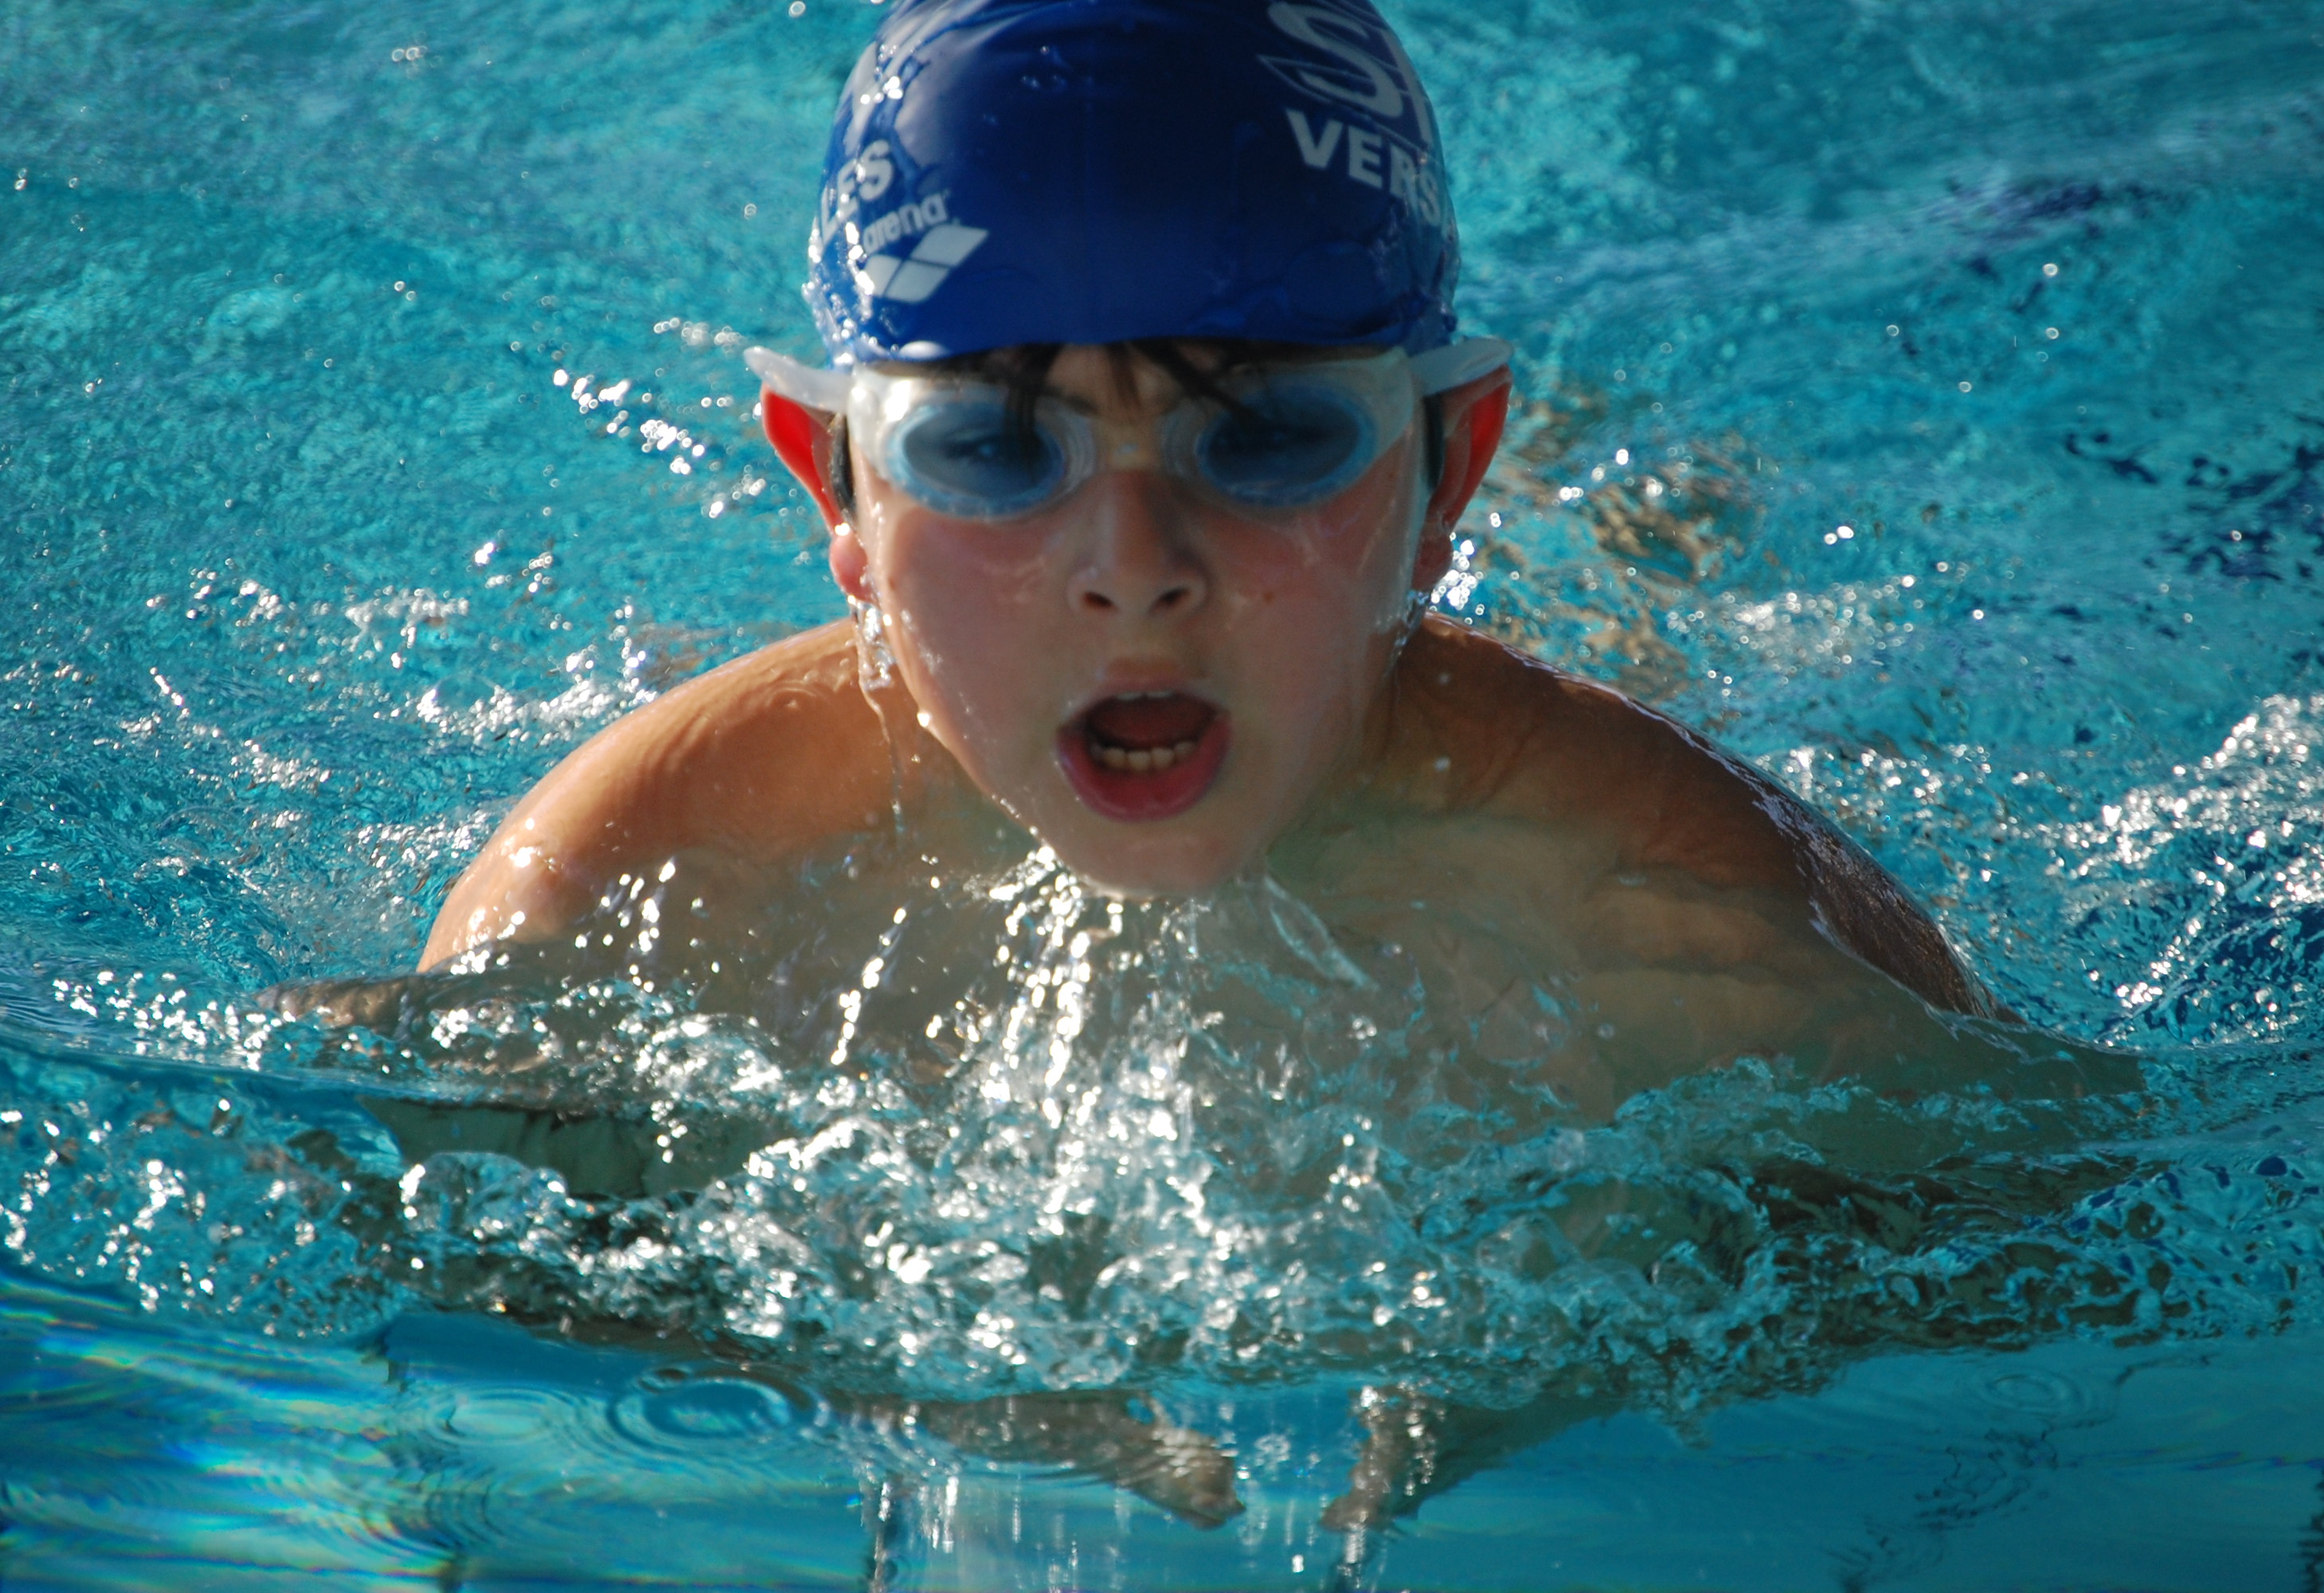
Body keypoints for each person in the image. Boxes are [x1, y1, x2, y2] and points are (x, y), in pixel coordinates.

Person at [402, 0, 2015, 1097]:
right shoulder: (625, 898)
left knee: (1639, 610)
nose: (1133, 566)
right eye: (989, 449)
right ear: (836, 493)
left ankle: (1634, 527)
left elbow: (2045, 1254)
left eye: (1265, 439)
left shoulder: (1687, 919)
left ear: (1449, 469)